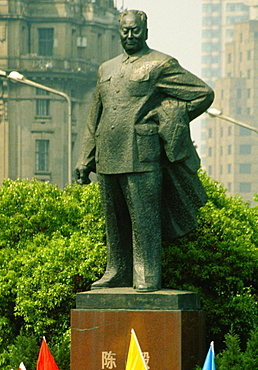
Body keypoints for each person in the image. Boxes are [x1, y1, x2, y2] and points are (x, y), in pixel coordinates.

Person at [74, 10, 214, 292]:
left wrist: (166, 115)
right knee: (114, 221)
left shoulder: (159, 64)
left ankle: (146, 273)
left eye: (135, 30)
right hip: (108, 155)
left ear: (145, 31)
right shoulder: (107, 69)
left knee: (144, 219)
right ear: (118, 31)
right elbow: (94, 116)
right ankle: (116, 270)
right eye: (125, 31)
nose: (129, 36)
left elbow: (203, 94)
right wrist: (85, 157)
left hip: (142, 153)